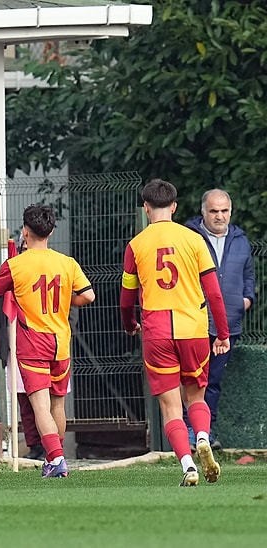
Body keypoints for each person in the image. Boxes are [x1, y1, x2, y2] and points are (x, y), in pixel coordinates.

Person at [120, 179, 230, 487]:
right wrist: (222, 333)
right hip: (192, 328)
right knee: (196, 396)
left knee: (170, 406)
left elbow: (127, 298)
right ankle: (204, 438)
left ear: (145, 208)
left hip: (157, 332)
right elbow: (215, 293)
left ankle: (187, 465)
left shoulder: (136, 245)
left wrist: (130, 324)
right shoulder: (194, 240)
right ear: (174, 207)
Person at [0, 205, 95, 478]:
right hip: (61, 341)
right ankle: (56, 457)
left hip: (33, 341)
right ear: (51, 231)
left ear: (25, 231)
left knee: (40, 405)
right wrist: (66, 301)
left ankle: (55, 459)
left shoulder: (16, 265)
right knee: (57, 404)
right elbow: (88, 295)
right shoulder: (67, 262)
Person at [183, 189, 255, 450]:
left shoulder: (240, 240)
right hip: (196, 321)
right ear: (204, 212)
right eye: (214, 211)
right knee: (192, 379)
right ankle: (189, 432)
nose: (219, 216)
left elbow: (249, 276)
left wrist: (246, 300)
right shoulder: (189, 237)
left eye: (224, 211)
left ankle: (206, 433)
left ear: (231, 211)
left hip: (229, 323)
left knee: (213, 380)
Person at [0, 236, 46, 461]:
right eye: (22, 248)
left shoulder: (52, 267)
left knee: (49, 399)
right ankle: (34, 446)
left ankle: (51, 446)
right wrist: (1, 344)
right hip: (16, 347)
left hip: (45, 343)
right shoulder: (10, 273)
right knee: (23, 399)